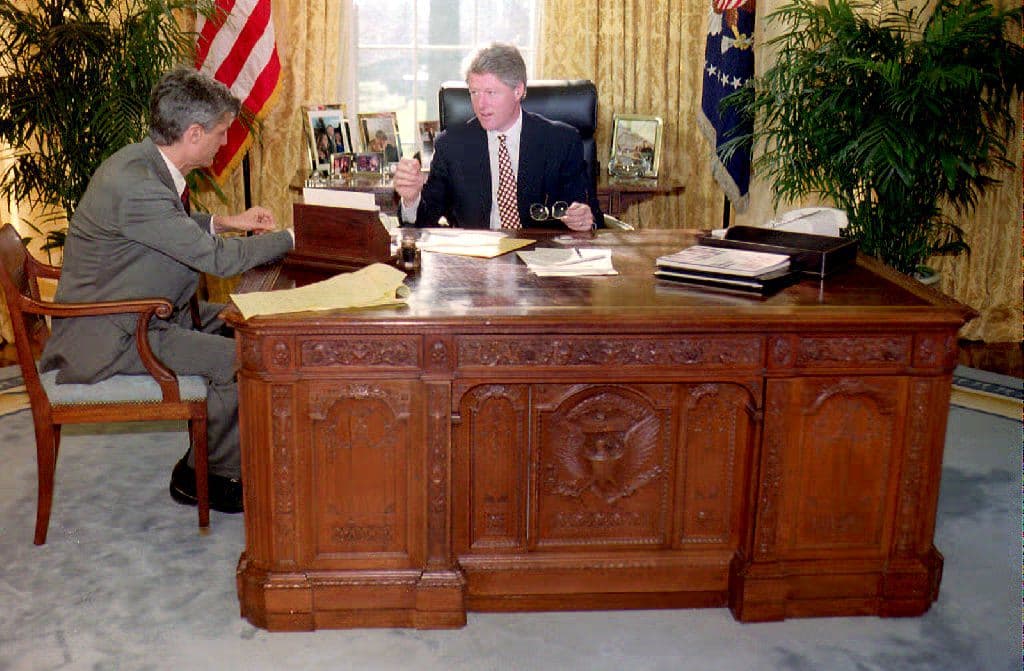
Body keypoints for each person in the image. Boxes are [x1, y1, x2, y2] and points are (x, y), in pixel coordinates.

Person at [38, 66, 295, 514]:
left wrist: (223, 221)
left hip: (144, 312)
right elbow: (217, 260)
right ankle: (208, 478)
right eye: (220, 133)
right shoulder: (136, 186)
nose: (222, 142)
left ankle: (222, 450)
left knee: (249, 317)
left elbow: (166, 226)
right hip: (114, 333)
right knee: (239, 360)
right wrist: (295, 238)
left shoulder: (141, 162)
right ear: (194, 133)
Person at [392, 43, 602, 231]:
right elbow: (424, 223)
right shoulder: (451, 145)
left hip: (540, 261)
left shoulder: (561, 141)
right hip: (475, 265)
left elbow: (588, 214)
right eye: (474, 92)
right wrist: (411, 199)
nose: (481, 105)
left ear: (518, 90)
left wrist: (583, 219)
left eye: (491, 93)